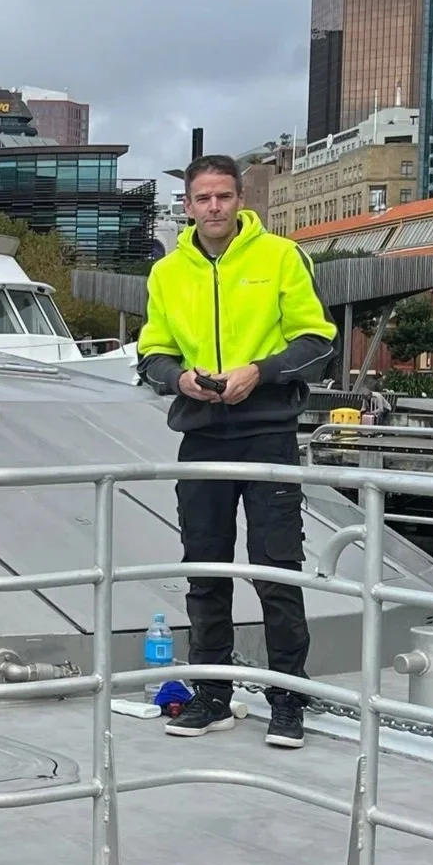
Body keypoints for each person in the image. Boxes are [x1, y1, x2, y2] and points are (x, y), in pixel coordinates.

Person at [136, 154, 337, 748]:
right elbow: (152, 351)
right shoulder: (167, 273)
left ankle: (287, 699)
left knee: (276, 570)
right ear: (188, 205)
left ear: (240, 200)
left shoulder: (280, 257)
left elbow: (316, 341)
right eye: (203, 199)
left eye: (224, 196)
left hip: (266, 430)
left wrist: (262, 371)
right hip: (200, 434)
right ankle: (211, 696)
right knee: (206, 572)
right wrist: (180, 380)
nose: (214, 207)